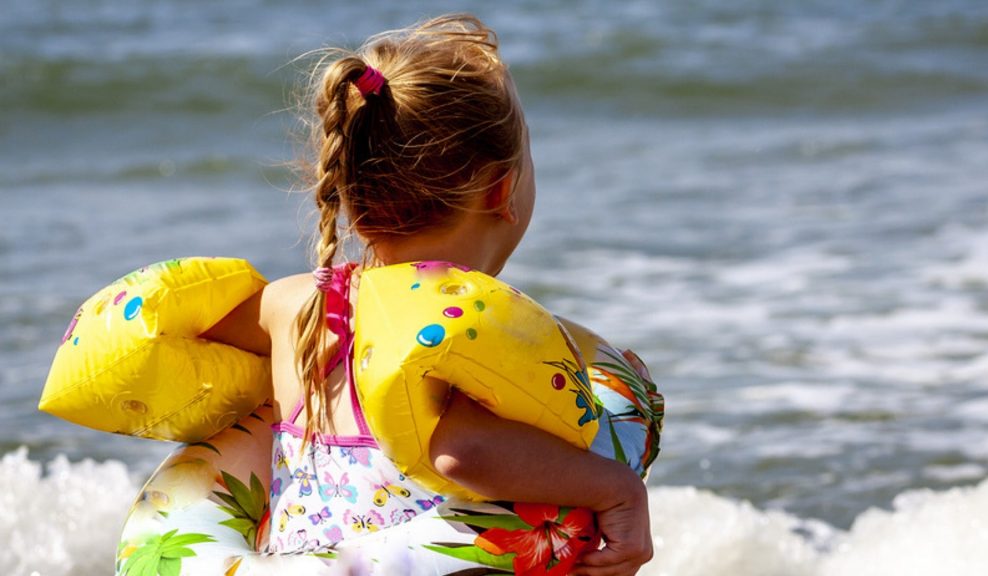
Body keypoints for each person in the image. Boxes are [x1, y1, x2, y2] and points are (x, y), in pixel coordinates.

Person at [203, 14, 653, 575]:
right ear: (503, 189)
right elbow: (464, 452)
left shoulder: (295, 303)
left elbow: (211, 345)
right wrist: (619, 492)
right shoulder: (464, 330)